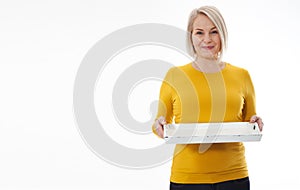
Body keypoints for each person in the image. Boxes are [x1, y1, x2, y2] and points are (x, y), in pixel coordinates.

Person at [152, 6, 264, 190]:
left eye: (214, 32)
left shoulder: (242, 75)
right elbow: (159, 125)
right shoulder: (174, 75)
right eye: (199, 32)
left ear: (222, 34)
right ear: (191, 36)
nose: (207, 39)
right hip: (187, 179)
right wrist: (159, 125)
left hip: (234, 177)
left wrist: (255, 121)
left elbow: (249, 120)